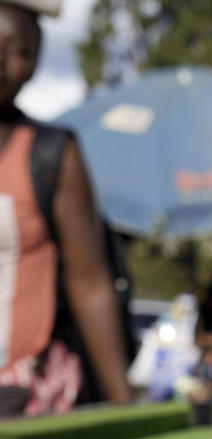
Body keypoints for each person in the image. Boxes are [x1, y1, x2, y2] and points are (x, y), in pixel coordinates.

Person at [0, 0, 131, 417]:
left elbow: (90, 283)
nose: (0, 62)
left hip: (21, 395)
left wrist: (124, 407)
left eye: (18, 50)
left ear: (36, 63)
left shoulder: (50, 154)